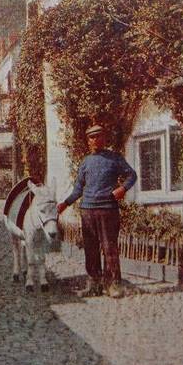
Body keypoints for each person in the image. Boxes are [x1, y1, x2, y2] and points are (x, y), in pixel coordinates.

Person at [57, 124, 137, 298]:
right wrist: (65, 203)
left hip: (108, 210)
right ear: (88, 141)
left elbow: (132, 175)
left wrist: (123, 189)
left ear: (104, 138)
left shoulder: (115, 158)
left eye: (98, 136)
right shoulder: (85, 162)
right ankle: (94, 284)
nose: (95, 140)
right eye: (92, 137)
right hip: (87, 211)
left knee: (110, 248)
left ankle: (113, 285)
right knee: (90, 249)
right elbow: (78, 190)